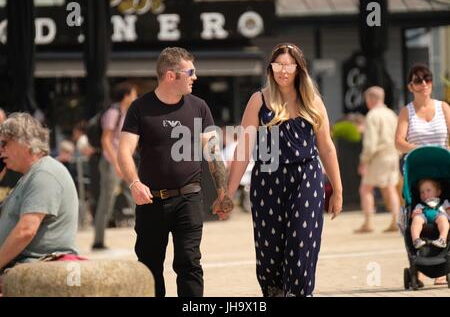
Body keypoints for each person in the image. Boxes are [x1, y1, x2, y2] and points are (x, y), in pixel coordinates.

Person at [215, 43, 343, 297]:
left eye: (288, 66)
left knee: (302, 241)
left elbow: (327, 147)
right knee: (270, 250)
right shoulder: (258, 100)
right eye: (278, 65)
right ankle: (275, 292)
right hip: (267, 180)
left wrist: (337, 190)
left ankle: (299, 293)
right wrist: (227, 193)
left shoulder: (313, 100)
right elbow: (243, 150)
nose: (283, 71)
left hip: (306, 177)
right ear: (270, 68)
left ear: (298, 68)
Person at [118, 47, 233, 297]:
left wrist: (223, 193)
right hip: (150, 201)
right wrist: (134, 183)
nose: (195, 77)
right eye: (190, 72)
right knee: (149, 268)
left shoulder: (199, 107)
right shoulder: (139, 108)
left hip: (188, 199)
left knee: (189, 264)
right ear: (171, 75)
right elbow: (124, 151)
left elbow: (213, 153)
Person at [0, 113, 79, 292]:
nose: (1, 150)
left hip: (35, 268)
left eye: (5, 143)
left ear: (25, 142)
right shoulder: (33, 175)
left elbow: (26, 231)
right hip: (24, 267)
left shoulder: (44, 174)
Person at [395, 63, 450, 285]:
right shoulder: (406, 111)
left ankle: (443, 261)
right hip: (417, 170)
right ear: (411, 86)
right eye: (418, 80)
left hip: (442, 169)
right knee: (413, 214)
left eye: (427, 79)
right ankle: (418, 263)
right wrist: (416, 149)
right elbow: (398, 141)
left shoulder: (444, 107)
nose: (424, 84)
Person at [92, 81, 138, 250]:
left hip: (125, 161)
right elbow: (106, 139)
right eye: (133, 93)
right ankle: (98, 240)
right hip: (113, 163)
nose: (136, 96)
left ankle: (148, 233)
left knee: (137, 195)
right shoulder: (113, 112)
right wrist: (117, 163)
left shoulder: (126, 112)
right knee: (107, 201)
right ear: (126, 95)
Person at [354, 86, 400, 233]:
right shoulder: (392, 114)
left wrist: (364, 161)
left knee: (365, 188)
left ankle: (368, 222)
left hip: (378, 156)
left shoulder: (372, 115)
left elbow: (370, 143)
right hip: (393, 155)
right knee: (390, 188)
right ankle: (396, 220)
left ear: (371, 99)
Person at [411, 179, 449, 249]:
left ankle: (442, 239)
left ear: (438, 192)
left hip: (438, 215)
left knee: (443, 219)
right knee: (416, 219)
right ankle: (416, 239)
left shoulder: (444, 203)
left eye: (428, 190)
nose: (425, 194)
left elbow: (448, 213)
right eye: (422, 192)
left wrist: (447, 211)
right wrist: (414, 215)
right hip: (424, 216)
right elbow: (413, 216)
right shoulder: (420, 205)